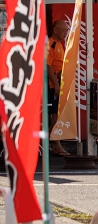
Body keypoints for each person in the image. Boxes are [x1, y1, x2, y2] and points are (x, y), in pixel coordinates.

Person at [47, 18, 70, 156]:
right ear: (55, 30)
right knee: (54, 114)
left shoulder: (60, 44)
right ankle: (56, 143)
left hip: (59, 82)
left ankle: (51, 140)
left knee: (57, 114)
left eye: (66, 30)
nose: (65, 33)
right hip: (51, 84)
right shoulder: (50, 44)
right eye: (63, 30)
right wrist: (55, 83)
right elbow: (48, 65)